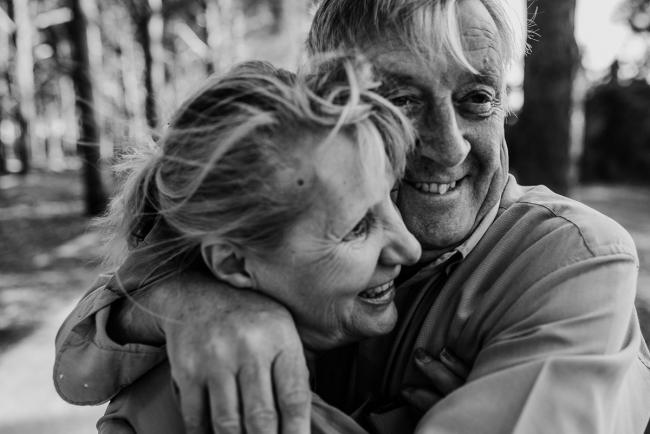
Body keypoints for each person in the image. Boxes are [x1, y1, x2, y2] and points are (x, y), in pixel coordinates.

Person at [55, 0, 650, 433]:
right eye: (401, 100)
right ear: (330, 112)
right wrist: (190, 303)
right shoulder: (270, 229)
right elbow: (78, 364)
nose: (449, 146)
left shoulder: (570, 260)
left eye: (477, 98)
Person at [56, 58, 422, 432]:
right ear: (232, 263)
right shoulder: (247, 404)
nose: (409, 248)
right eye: (357, 227)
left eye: (392, 195)